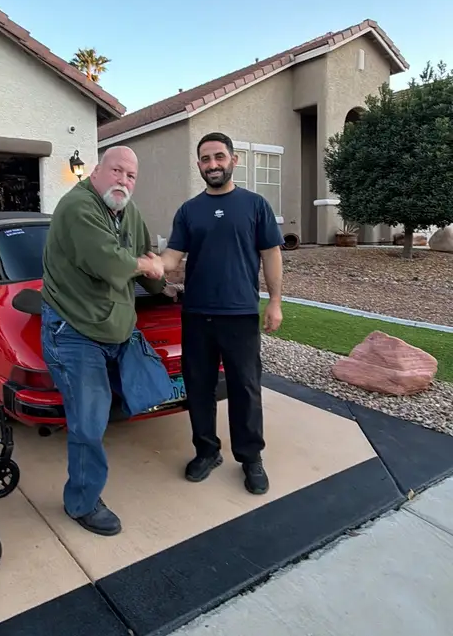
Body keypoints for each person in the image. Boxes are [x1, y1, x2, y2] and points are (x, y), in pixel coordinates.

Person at [41, 146, 166, 536]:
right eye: (116, 171)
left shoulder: (128, 212)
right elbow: (111, 261)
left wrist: (159, 280)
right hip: (75, 332)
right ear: (96, 172)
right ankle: (81, 502)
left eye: (131, 176)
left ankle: (89, 464)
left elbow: (148, 263)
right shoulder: (78, 207)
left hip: (115, 331)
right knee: (88, 423)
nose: (123, 181)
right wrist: (149, 265)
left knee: (141, 394)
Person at [159, 132, 283, 494]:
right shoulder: (188, 211)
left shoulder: (255, 205)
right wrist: (152, 264)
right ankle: (206, 451)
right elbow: (172, 258)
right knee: (198, 387)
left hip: (239, 313)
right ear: (198, 165)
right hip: (197, 314)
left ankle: (251, 457)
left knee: (245, 388)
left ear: (233, 160)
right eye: (205, 159)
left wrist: (274, 301)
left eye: (218, 157)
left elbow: (271, 254)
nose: (212, 164)